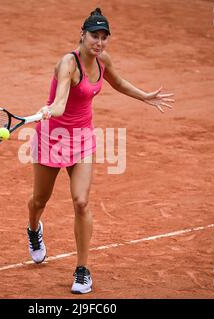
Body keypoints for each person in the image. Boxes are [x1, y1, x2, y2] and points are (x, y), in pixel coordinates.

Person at [26, 8, 174, 294]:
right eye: (95, 35)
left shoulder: (102, 59)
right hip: (52, 138)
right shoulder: (67, 63)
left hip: (81, 139)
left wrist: (145, 96)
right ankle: (34, 230)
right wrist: (49, 111)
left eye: (104, 37)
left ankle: (82, 270)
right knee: (38, 200)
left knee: (81, 202)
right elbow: (59, 103)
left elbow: (116, 82)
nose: (100, 42)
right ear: (82, 35)